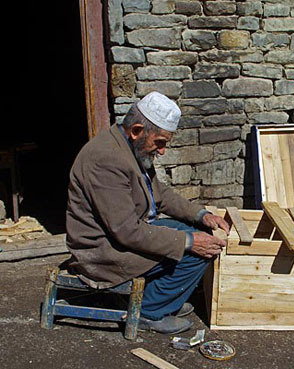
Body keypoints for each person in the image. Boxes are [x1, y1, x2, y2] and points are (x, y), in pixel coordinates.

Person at [64, 91, 230, 334]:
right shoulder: (106, 159)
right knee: (198, 252)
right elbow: (126, 231)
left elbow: (159, 195)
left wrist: (201, 214)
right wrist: (188, 242)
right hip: (103, 252)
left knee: (200, 232)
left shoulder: (131, 150)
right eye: (160, 142)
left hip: (123, 237)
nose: (162, 151)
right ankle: (149, 311)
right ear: (137, 130)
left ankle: (161, 298)